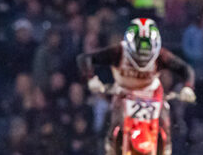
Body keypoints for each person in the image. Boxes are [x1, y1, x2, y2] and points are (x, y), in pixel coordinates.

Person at [76, 18, 196, 155]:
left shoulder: (161, 55)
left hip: (152, 95)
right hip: (124, 93)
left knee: (164, 121)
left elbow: (186, 69)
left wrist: (188, 87)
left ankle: (166, 149)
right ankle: (110, 148)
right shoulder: (119, 51)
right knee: (113, 121)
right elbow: (85, 59)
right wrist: (91, 78)